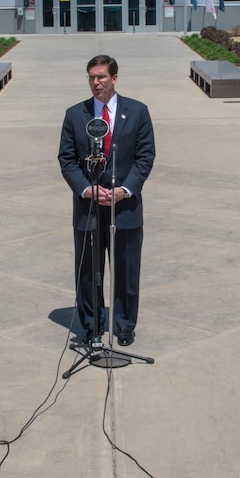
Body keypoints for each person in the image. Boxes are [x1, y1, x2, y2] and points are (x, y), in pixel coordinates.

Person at [58, 54, 156, 346]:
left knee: (126, 272)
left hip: (124, 208)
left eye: (101, 77)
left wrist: (125, 189)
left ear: (114, 78)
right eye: (91, 77)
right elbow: (67, 160)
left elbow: (145, 156)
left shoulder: (137, 112)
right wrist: (86, 189)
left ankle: (124, 324)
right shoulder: (76, 114)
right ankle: (92, 326)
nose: (95, 82)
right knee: (89, 272)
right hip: (89, 208)